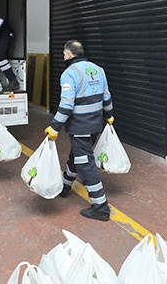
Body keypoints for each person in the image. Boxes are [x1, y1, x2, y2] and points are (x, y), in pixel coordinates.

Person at [44, 40, 114, 221]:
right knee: (77, 156)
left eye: (63, 54)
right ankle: (65, 187)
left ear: (68, 55)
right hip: (95, 124)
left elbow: (66, 105)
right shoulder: (99, 69)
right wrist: (109, 115)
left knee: (85, 163)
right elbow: (106, 97)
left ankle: (101, 208)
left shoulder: (69, 73)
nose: (63, 57)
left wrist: (55, 126)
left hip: (80, 126)